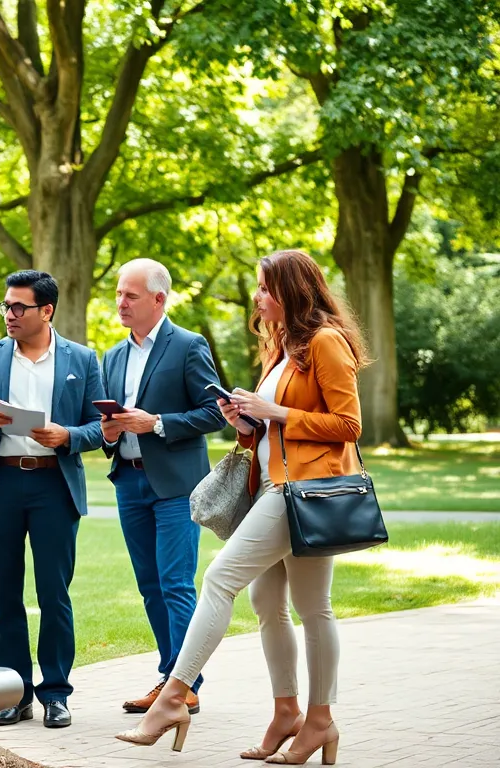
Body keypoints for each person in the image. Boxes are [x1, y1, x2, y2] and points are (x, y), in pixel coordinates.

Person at [117, 249, 368, 765]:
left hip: (302, 491)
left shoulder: (326, 342)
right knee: (275, 606)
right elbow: (277, 427)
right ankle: (293, 714)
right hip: (274, 484)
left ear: (291, 292)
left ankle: (173, 698)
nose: (257, 297)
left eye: (264, 288)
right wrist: (247, 422)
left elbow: (349, 426)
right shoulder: (283, 347)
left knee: (220, 579)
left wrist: (274, 410)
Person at [0, 270, 106, 730]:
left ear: (47, 311)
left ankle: (56, 694)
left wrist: (68, 435)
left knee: (54, 594)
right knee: (3, 594)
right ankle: (14, 693)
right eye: (5, 306)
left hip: (53, 487)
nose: (9, 315)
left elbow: (100, 428)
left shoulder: (82, 359)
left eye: (18, 307)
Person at [100, 259, 225, 715]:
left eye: (130, 296)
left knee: (175, 583)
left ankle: (183, 683)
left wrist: (156, 424)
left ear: (158, 299)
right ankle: (169, 677)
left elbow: (215, 412)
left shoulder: (188, 346)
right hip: (128, 482)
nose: (121, 303)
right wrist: (108, 433)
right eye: (118, 293)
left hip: (175, 486)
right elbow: (106, 425)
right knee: (149, 585)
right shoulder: (112, 356)